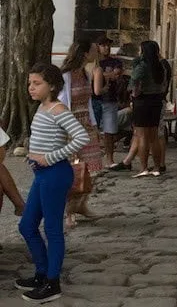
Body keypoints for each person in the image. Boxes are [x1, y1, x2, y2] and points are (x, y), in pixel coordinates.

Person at [18, 62, 90, 303]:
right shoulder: (42, 107)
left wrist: (50, 157)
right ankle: (42, 273)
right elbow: (45, 137)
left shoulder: (59, 110)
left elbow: (81, 137)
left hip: (55, 174)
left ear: (52, 86)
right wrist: (33, 154)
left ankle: (52, 282)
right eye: (30, 83)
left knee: (52, 229)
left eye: (37, 83)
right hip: (42, 175)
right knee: (27, 225)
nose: (31, 87)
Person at [58, 41, 100, 226]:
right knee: (72, 169)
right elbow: (62, 102)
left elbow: (89, 102)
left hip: (86, 124)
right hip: (71, 126)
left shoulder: (86, 74)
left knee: (91, 168)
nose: (96, 53)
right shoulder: (66, 76)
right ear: (84, 53)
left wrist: (94, 124)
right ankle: (69, 210)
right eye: (93, 50)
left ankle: (81, 204)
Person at [122, 41, 169, 178]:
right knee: (154, 137)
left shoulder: (142, 66)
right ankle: (157, 167)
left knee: (142, 136)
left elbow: (133, 81)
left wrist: (133, 91)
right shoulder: (161, 66)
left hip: (142, 102)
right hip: (156, 101)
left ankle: (143, 168)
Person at [94, 58, 126, 169]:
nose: (106, 49)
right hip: (96, 100)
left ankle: (109, 159)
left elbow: (118, 74)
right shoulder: (94, 63)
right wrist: (107, 75)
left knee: (110, 132)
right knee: (93, 131)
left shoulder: (115, 61)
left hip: (110, 100)